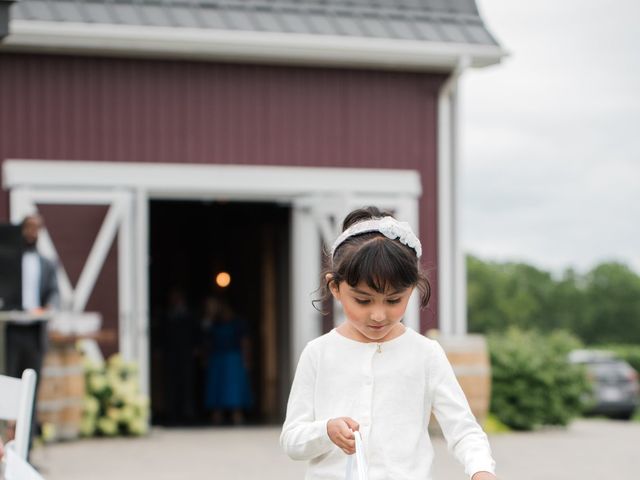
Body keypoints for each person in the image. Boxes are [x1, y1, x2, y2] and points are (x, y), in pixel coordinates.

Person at [280, 207, 497, 480]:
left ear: (413, 289)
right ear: (335, 287)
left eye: (394, 300)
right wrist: (325, 431)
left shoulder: (425, 354)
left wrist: (481, 470)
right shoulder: (318, 353)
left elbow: (463, 429)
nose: (378, 315)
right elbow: (291, 440)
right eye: (363, 300)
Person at [5, 214, 58, 458]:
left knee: (30, 393)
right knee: (8, 392)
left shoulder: (46, 263)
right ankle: (7, 450)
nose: (31, 233)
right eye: (28, 228)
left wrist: (48, 308)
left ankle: (26, 455)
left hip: (35, 332)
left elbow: (53, 293)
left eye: (36, 228)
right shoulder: (9, 263)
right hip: (11, 331)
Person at [202, 297, 253, 425]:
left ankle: (237, 414)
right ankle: (217, 414)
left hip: (233, 360)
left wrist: (246, 359)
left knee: (234, 387)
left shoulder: (238, 323)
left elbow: (244, 342)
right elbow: (206, 339)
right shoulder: (213, 322)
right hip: (217, 358)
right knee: (216, 386)